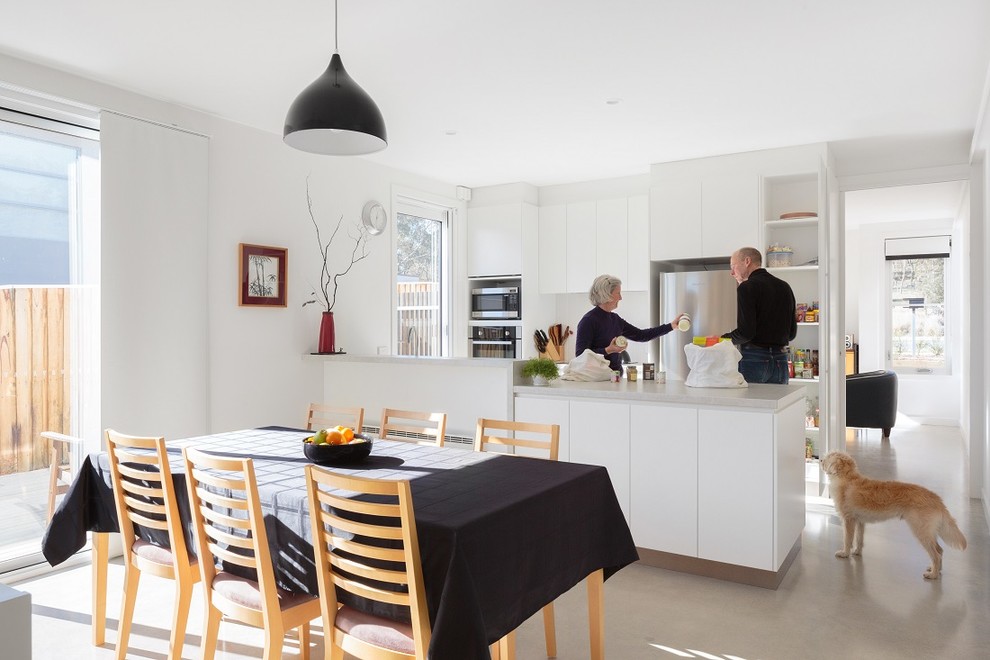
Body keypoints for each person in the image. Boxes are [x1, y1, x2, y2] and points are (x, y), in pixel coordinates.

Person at [575, 274, 687, 373]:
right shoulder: (588, 321)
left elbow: (641, 335)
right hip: (598, 381)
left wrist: (671, 326)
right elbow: (580, 356)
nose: (620, 297)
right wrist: (608, 349)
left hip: (615, 377)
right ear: (607, 295)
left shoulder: (615, 319)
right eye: (618, 293)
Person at [721, 247, 797, 384]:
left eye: (733, 266)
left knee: (750, 405)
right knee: (778, 405)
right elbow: (791, 334)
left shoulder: (746, 287)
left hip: (754, 359)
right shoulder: (785, 287)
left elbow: (746, 333)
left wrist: (722, 339)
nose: (732, 273)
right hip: (781, 360)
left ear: (747, 261)